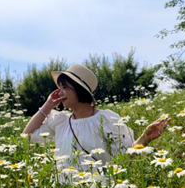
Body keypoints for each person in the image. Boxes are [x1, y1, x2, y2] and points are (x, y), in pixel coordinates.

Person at [22, 64, 171, 170]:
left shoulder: (106, 119)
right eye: (59, 87)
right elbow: (26, 135)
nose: (60, 92)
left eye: (65, 88)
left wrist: (144, 138)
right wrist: (48, 104)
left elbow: (124, 156)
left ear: (80, 90)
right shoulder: (61, 121)